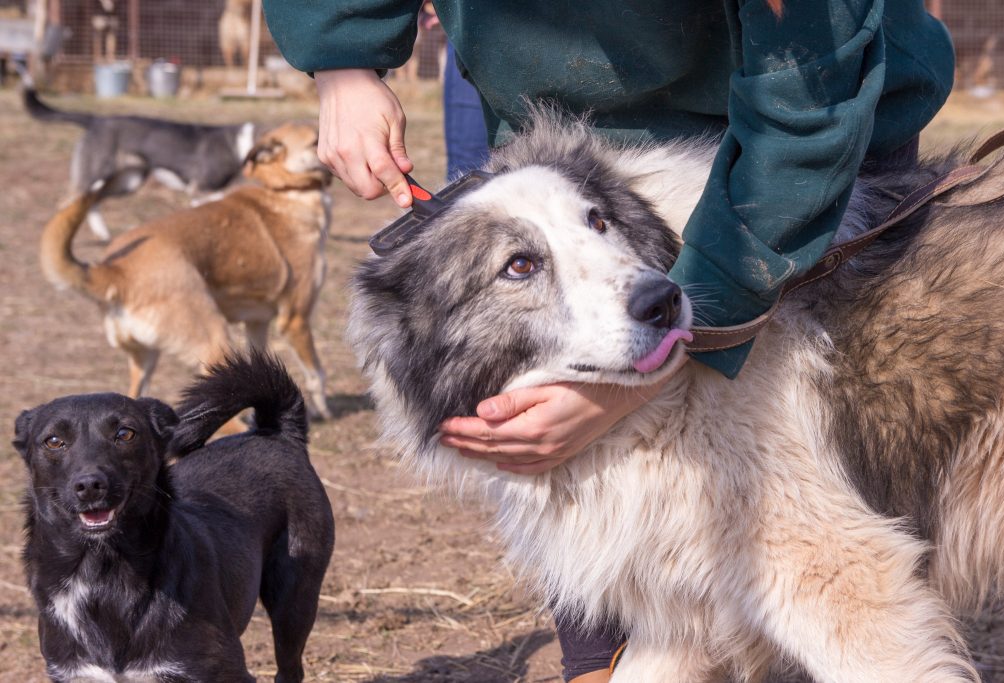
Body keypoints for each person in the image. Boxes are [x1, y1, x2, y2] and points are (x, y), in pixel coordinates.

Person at [263, 1, 954, 680]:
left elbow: (807, 117)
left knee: (813, 549)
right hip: (571, 123)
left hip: (806, 121)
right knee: (681, 591)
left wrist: (641, 377)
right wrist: (343, 58)